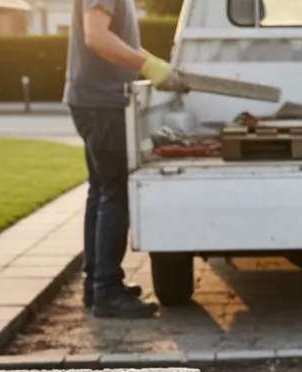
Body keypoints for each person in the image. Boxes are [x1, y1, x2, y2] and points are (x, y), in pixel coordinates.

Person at [66, 0, 186, 318]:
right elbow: (96, 36)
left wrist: (152, 61)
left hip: (94, 101)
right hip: (104, 104)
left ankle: (97, 285)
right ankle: (107, 291)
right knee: (116, 194)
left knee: (102, 192)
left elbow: (118, 42)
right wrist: (148, 67)